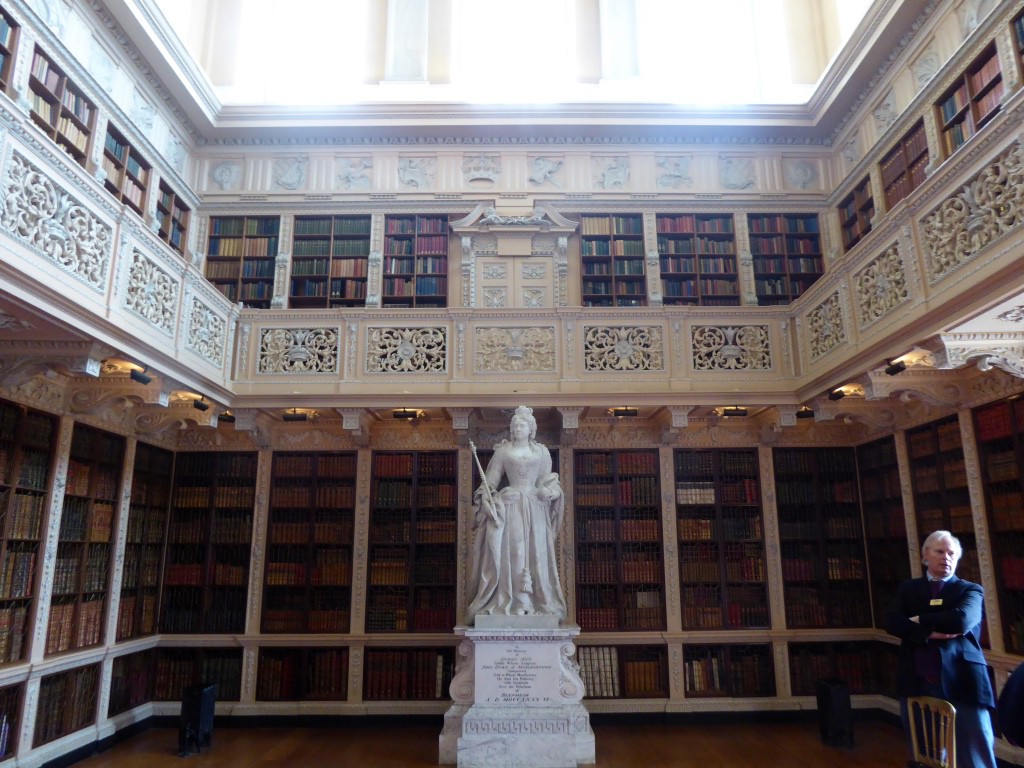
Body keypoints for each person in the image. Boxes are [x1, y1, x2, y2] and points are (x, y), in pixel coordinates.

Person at [885, 530, 997, 768]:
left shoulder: (970, 590)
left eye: (952, 553)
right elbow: (892, 622)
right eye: (940, 551)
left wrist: (916, 620)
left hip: (963, 681)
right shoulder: (909, 589)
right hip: (917, 680)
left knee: (975, 752)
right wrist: (931, 632)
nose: (946, 557)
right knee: (923, 754)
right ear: (925, 556)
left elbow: (961, 621)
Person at [465, 406, 567, 623]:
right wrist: (489, 497)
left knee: (538, 554)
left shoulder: (541, 452)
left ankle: (537, 602)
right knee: (516, 552)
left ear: (531, 428)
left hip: (536, 507)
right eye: (514, 425)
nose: (516, 428)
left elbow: (550, 482)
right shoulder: (503, 452)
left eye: (521, 425)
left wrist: (549, 492)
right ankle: (515, 602)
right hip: (511, 506)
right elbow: (489, 482)